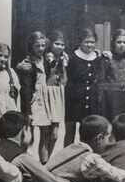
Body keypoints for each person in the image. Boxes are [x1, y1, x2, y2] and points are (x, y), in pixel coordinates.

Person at [15, 31, 55, 162]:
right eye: (38, 46)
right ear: (31, 46)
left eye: (43, 45)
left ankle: (44, 165)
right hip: (33, 101)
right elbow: (26, 89)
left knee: (46, 135)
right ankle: (25, 163)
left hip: (45, 101)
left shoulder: (46, 61)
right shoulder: (27, 63)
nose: (41, 49)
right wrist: (27, 110)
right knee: (28, 136)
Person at [65, 28, 105, 146]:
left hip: (91, 98)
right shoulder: (72, 57)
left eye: (92, 42)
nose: (89, 45)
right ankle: (67, 156)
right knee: (70, 130)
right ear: (80, 42)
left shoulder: (97, 58)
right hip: (74, 98)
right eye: (86, 42)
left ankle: (85, 154)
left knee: (87, 129)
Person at [99, 28, 125, 123]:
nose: (122, 45)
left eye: (124, 42)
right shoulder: (107, 58)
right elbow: (101, 80)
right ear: (113, 43)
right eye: (119, 42)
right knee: (113, 123)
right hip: (112, 97)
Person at [43, 29, 69, 160]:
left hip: (58, 93)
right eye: (57, 44)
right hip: (48, 93)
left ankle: (49, 159)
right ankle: (45, 160)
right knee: (46, 131)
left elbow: (64, 79)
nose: (60, 47)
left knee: (55, 132)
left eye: (62, 44)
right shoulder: (47, 57)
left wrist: (63, 65)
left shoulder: (64, 58)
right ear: (51, 44)